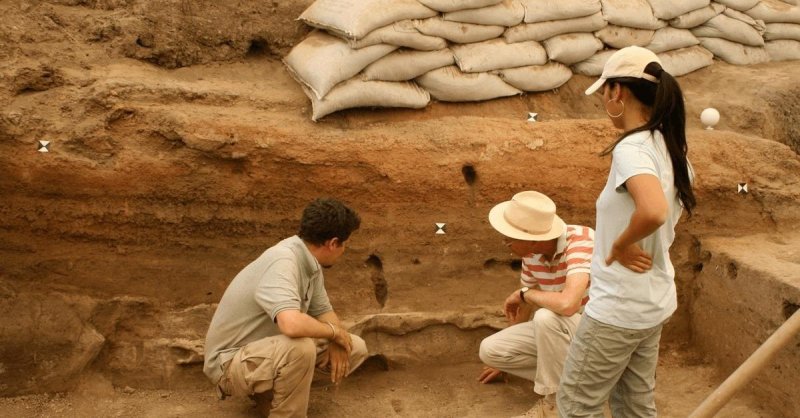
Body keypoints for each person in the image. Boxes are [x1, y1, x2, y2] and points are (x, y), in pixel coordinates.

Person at [557, 46, 696, 417]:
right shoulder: (671, 146)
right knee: (635, 406)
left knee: (575, 406)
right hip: (652, 302)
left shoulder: (632, 148)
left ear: (618, 92)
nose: (604, 99)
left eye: (605, 91)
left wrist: (621, 244)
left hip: (618, 308)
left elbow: (652, 210)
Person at [203, 198, 369, 418]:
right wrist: (333, 332)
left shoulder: (310, 264)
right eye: (345, 243)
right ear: (333, 243)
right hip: (229, 366)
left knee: (354, 347)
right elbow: (290, 325)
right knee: (299, 348)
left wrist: (337, 338)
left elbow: (325, 313)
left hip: (262, 354)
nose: (344, 250)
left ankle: (269, 396)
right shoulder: (283, 260)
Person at [478, 191, 594, 418]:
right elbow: (526, 305)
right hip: (566, 333)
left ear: (532, 238)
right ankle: (582, 389)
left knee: (547, 317)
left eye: (510, 238)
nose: (505, 243)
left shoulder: (581, 240)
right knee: (491, 351)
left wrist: (526, 294)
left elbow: (569, 304)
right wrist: (505, 363)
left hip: (595, 332)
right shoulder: (532, 254)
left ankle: (556, 404)